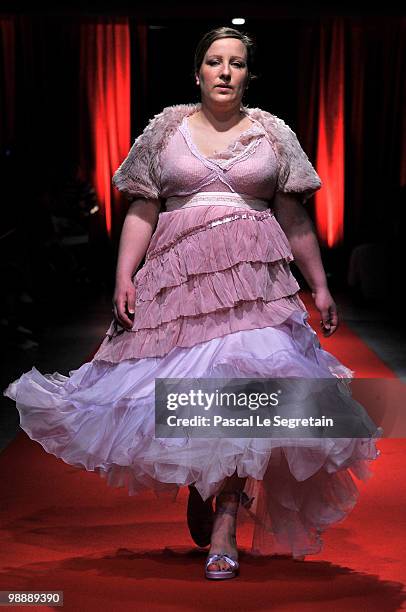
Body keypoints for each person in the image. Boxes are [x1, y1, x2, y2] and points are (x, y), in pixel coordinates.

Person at [4, 27, 382, 581]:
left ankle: (227, 517)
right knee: (182, 386)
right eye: (214, 61)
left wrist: (320, 285)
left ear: (249, 75)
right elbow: (142, 208)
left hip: (253, 284)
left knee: (246, 386)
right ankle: (200, 478)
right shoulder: (166, 130)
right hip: (178, 283)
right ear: (198, 71)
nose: (225, 71)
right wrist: (124, 276)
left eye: (236, 63)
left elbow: (295, 218)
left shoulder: (273, 134)